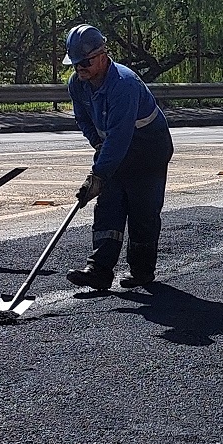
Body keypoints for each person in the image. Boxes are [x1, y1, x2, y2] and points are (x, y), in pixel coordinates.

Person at [61, 24, 174, 290]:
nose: (80, 68)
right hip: (115, 146)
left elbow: (121, 136)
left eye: (85, 62)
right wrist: (98, 145)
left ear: (102, 55)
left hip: (148, 149)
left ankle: (142, 271)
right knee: (108, 207)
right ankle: (98, 270)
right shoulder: (78, 85)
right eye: (75, 63)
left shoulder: (124, 84)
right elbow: (84, 120)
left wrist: (98, 174)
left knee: (142, 210)